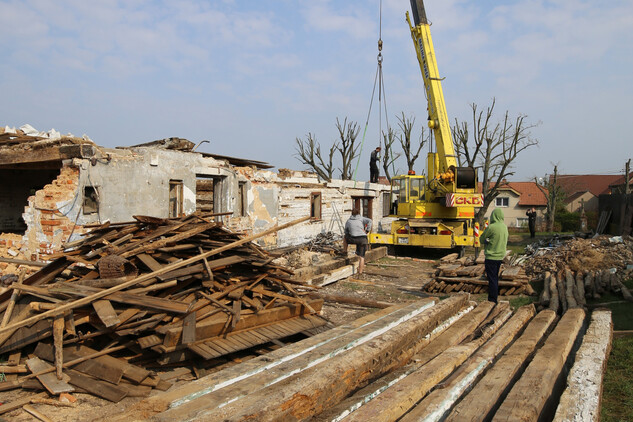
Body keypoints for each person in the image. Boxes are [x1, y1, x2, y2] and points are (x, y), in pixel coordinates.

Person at [481, 208, 508, 304]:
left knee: (492, 279)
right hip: (500, 256)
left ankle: (492, 300)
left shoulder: (491, 227)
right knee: (495, 277)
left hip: (491, 256)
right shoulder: (504, 227)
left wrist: (486, 241)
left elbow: (481, 238)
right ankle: (494, 297)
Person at [343, 207, 372, 274]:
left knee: (345, 237)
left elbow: (346, 232)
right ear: (359, 213)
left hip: (353, 239)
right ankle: (360, 272)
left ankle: (345, 251)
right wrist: (367, 230)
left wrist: (351, 232)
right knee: (362, 257)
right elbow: (370, 221)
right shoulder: (361, 218)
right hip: (363, 239)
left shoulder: (348, 221)